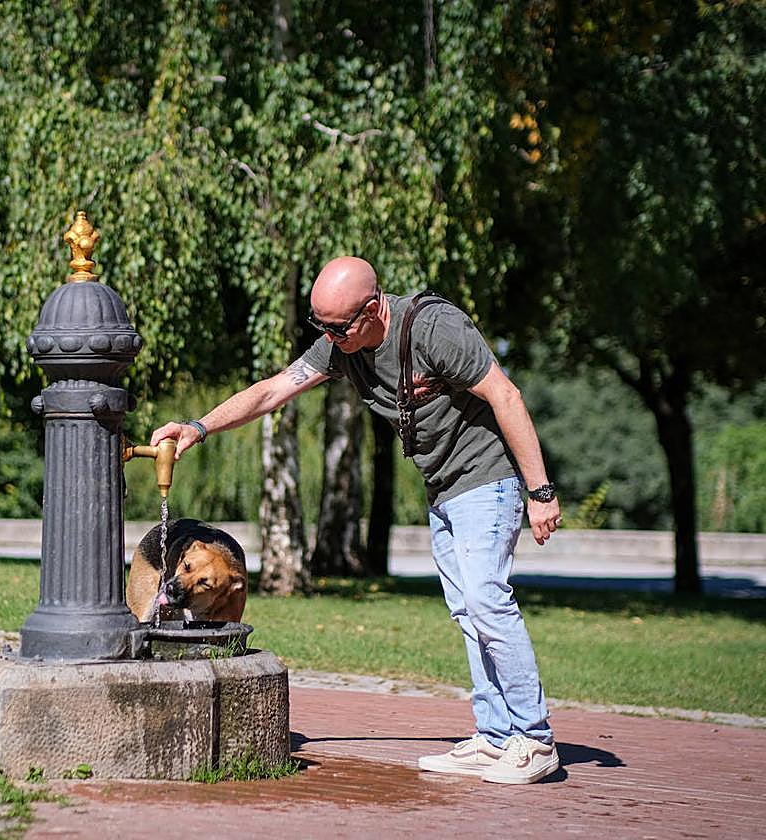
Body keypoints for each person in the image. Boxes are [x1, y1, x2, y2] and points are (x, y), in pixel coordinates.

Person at [152, 256, 563, 784]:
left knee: (486, 598)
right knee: (468, 611)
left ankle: (534, 739)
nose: (327, 336)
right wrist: (197, 427)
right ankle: (495, 737)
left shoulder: (435, 329)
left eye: (337, 327)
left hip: (489, 480)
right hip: (444, 488)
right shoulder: (344, 343)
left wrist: (540, 491)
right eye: (318, 325)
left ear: (372, 310)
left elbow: (505, 395)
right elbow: (276, 388)